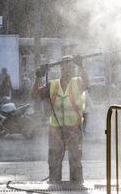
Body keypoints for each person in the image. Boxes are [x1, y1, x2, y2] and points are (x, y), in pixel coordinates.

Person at [31, 55, 89, 184]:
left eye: (70, 65)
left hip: (73, 128)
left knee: (75, 160)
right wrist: (38, 77)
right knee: (54, 160)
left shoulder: (78, 82)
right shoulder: (52, 85)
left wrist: (81, 66)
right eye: (64, 65)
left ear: (73, 68)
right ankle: (54, 184)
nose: (67, 68)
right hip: (55, 130)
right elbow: (35, 95)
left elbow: (87, 83)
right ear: (60, 68)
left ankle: (77, 186)